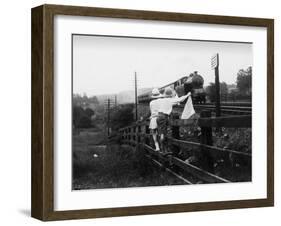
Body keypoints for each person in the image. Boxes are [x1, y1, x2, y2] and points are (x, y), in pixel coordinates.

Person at [157, 87, 191, 153]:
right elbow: (180, 100)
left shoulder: (163, 100)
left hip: (160, 116)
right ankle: (162, 150)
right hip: (163, 117)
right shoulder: (170, 100)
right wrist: (187, 95)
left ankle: (165, 150)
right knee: (162, 134)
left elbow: (176, 101)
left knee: (163, 133)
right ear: (170, 95)